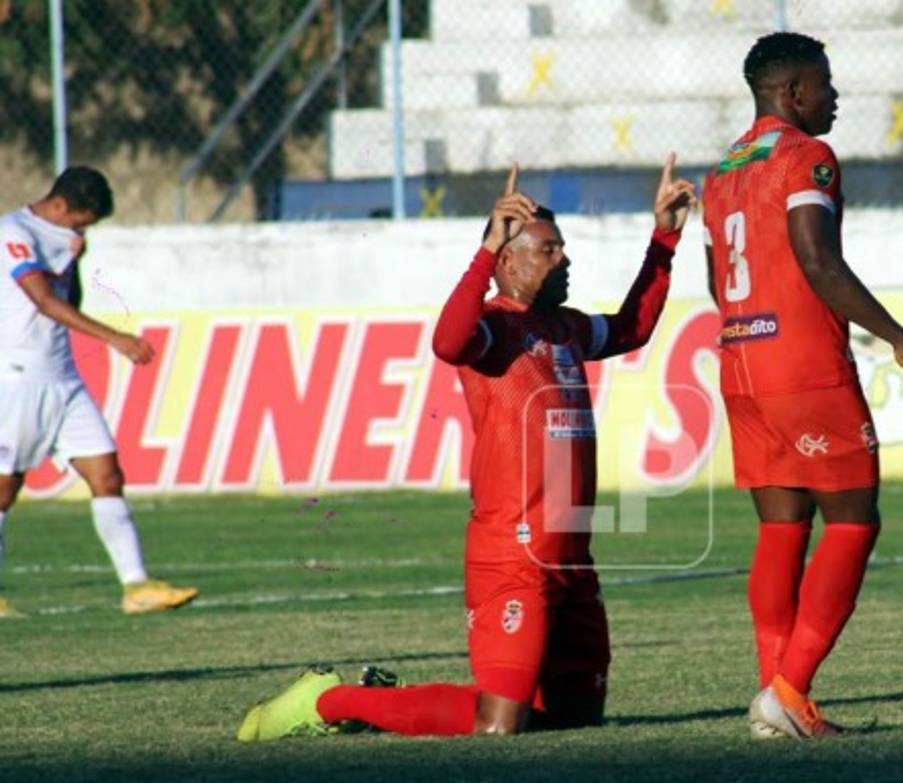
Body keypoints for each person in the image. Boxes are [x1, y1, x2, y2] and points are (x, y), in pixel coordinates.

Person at [236, 156, 695, 740]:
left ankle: (392, 699)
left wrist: (665, 238)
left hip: (572, 559)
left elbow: (630, 329)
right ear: (509, 259)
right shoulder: (492, 329)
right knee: (497, 726)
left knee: (573, 722)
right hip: (512, 559)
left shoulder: (567, 328)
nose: (564, 259)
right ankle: (331, 700)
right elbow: (447, 340)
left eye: (562, 248)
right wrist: (482, 251)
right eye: (549, 250)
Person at [700, 32, 903, 739]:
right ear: (794, 90)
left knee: (782, 526)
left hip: (742, 361)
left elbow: (717, 281)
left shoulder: (723, 171)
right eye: (826, 85)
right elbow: (817, 260)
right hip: (802, 367)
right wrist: (898, 336)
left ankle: (777, 697)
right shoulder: (807, 158)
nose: (835, 98)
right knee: (855, 519)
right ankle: (790, 689)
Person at [0, 166, 199, 617]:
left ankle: (137, 587)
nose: (83, 228)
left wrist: (77, 261)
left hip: (64, 377)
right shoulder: (13, 232)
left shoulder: (64, 239)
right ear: (60, 206)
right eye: (82, 220)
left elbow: (68, 303)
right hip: (18, 377)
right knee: (5, 489)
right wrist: (116, 338)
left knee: (107, 475)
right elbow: (42, 302)